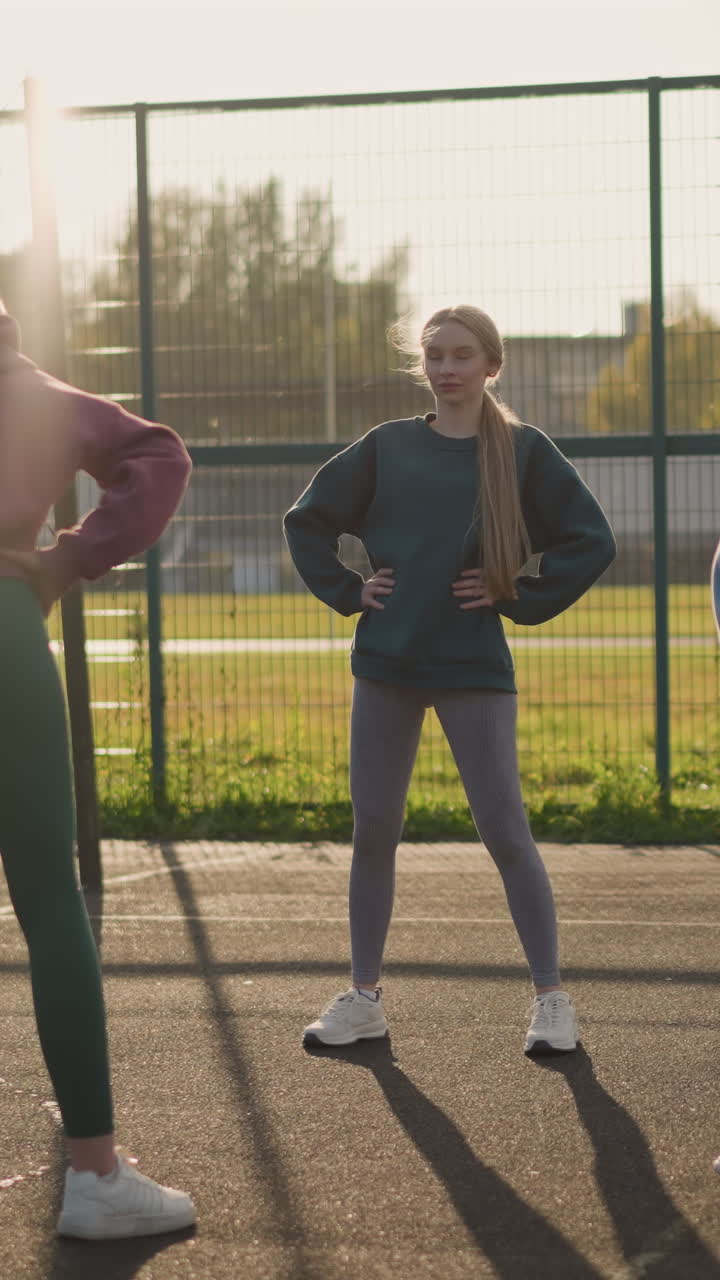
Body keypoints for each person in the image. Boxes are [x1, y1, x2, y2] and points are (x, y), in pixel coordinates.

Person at [284, 303, 616, 1055]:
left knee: (504, 830)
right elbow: (306, 521)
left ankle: (552, 1000)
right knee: (374, 829)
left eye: (461, 355)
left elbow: (592, 541)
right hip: (387, 664)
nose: (445, 368)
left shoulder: (525, 452)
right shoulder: (386, 448)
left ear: (490, 364)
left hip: (472, 666)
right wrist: (349, 590)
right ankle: (364, 997)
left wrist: (518, 596)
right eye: (434, 355)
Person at [0, 300, 196, 1239]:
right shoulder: (34, 397)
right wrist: (73, 556)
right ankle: (95, 1175)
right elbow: (160, 454)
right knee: (48, 899)